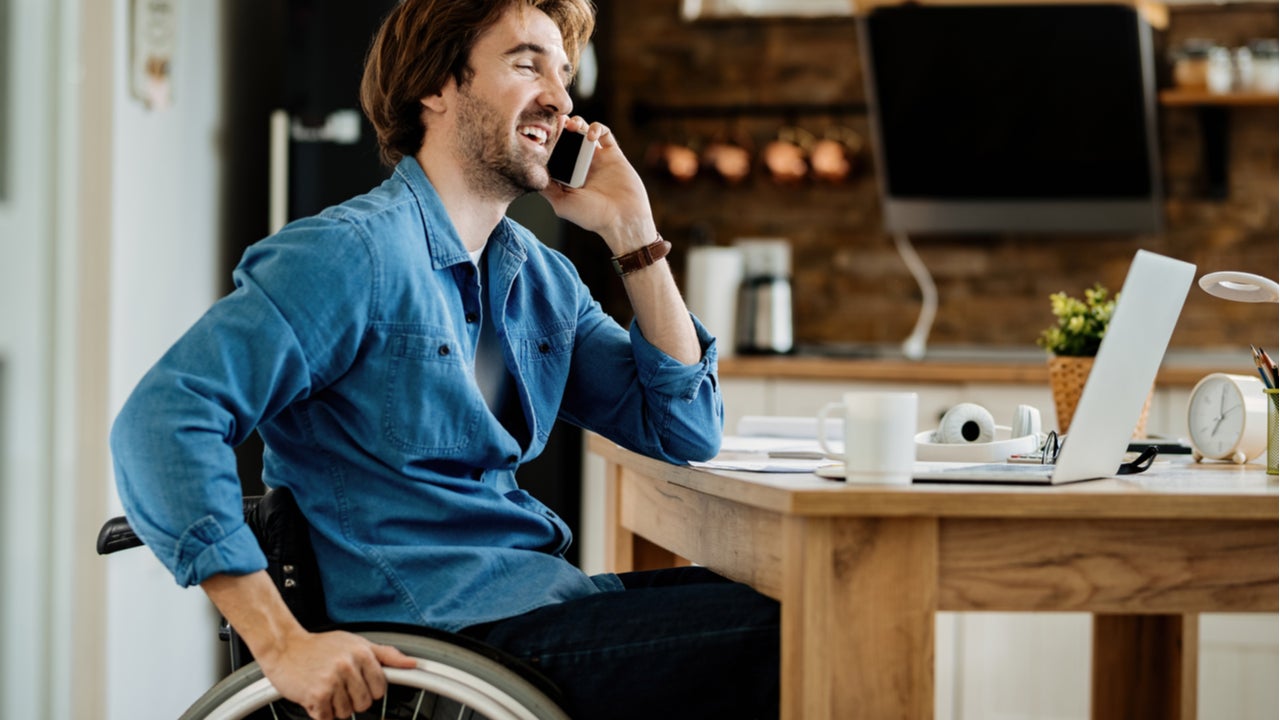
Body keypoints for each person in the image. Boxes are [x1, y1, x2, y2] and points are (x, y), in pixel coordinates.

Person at [109, 1, 780, 719]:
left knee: (805, 605)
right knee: (794, 638)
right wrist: (282, 643)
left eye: (564, 73)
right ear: (435, 86)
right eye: (527, 64)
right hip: (451, 648)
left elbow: (685, 428)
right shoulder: (349, 255)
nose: (558, 98)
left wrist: (634, 234)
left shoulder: (542, 280)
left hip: (539, 603)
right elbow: (161, 423)